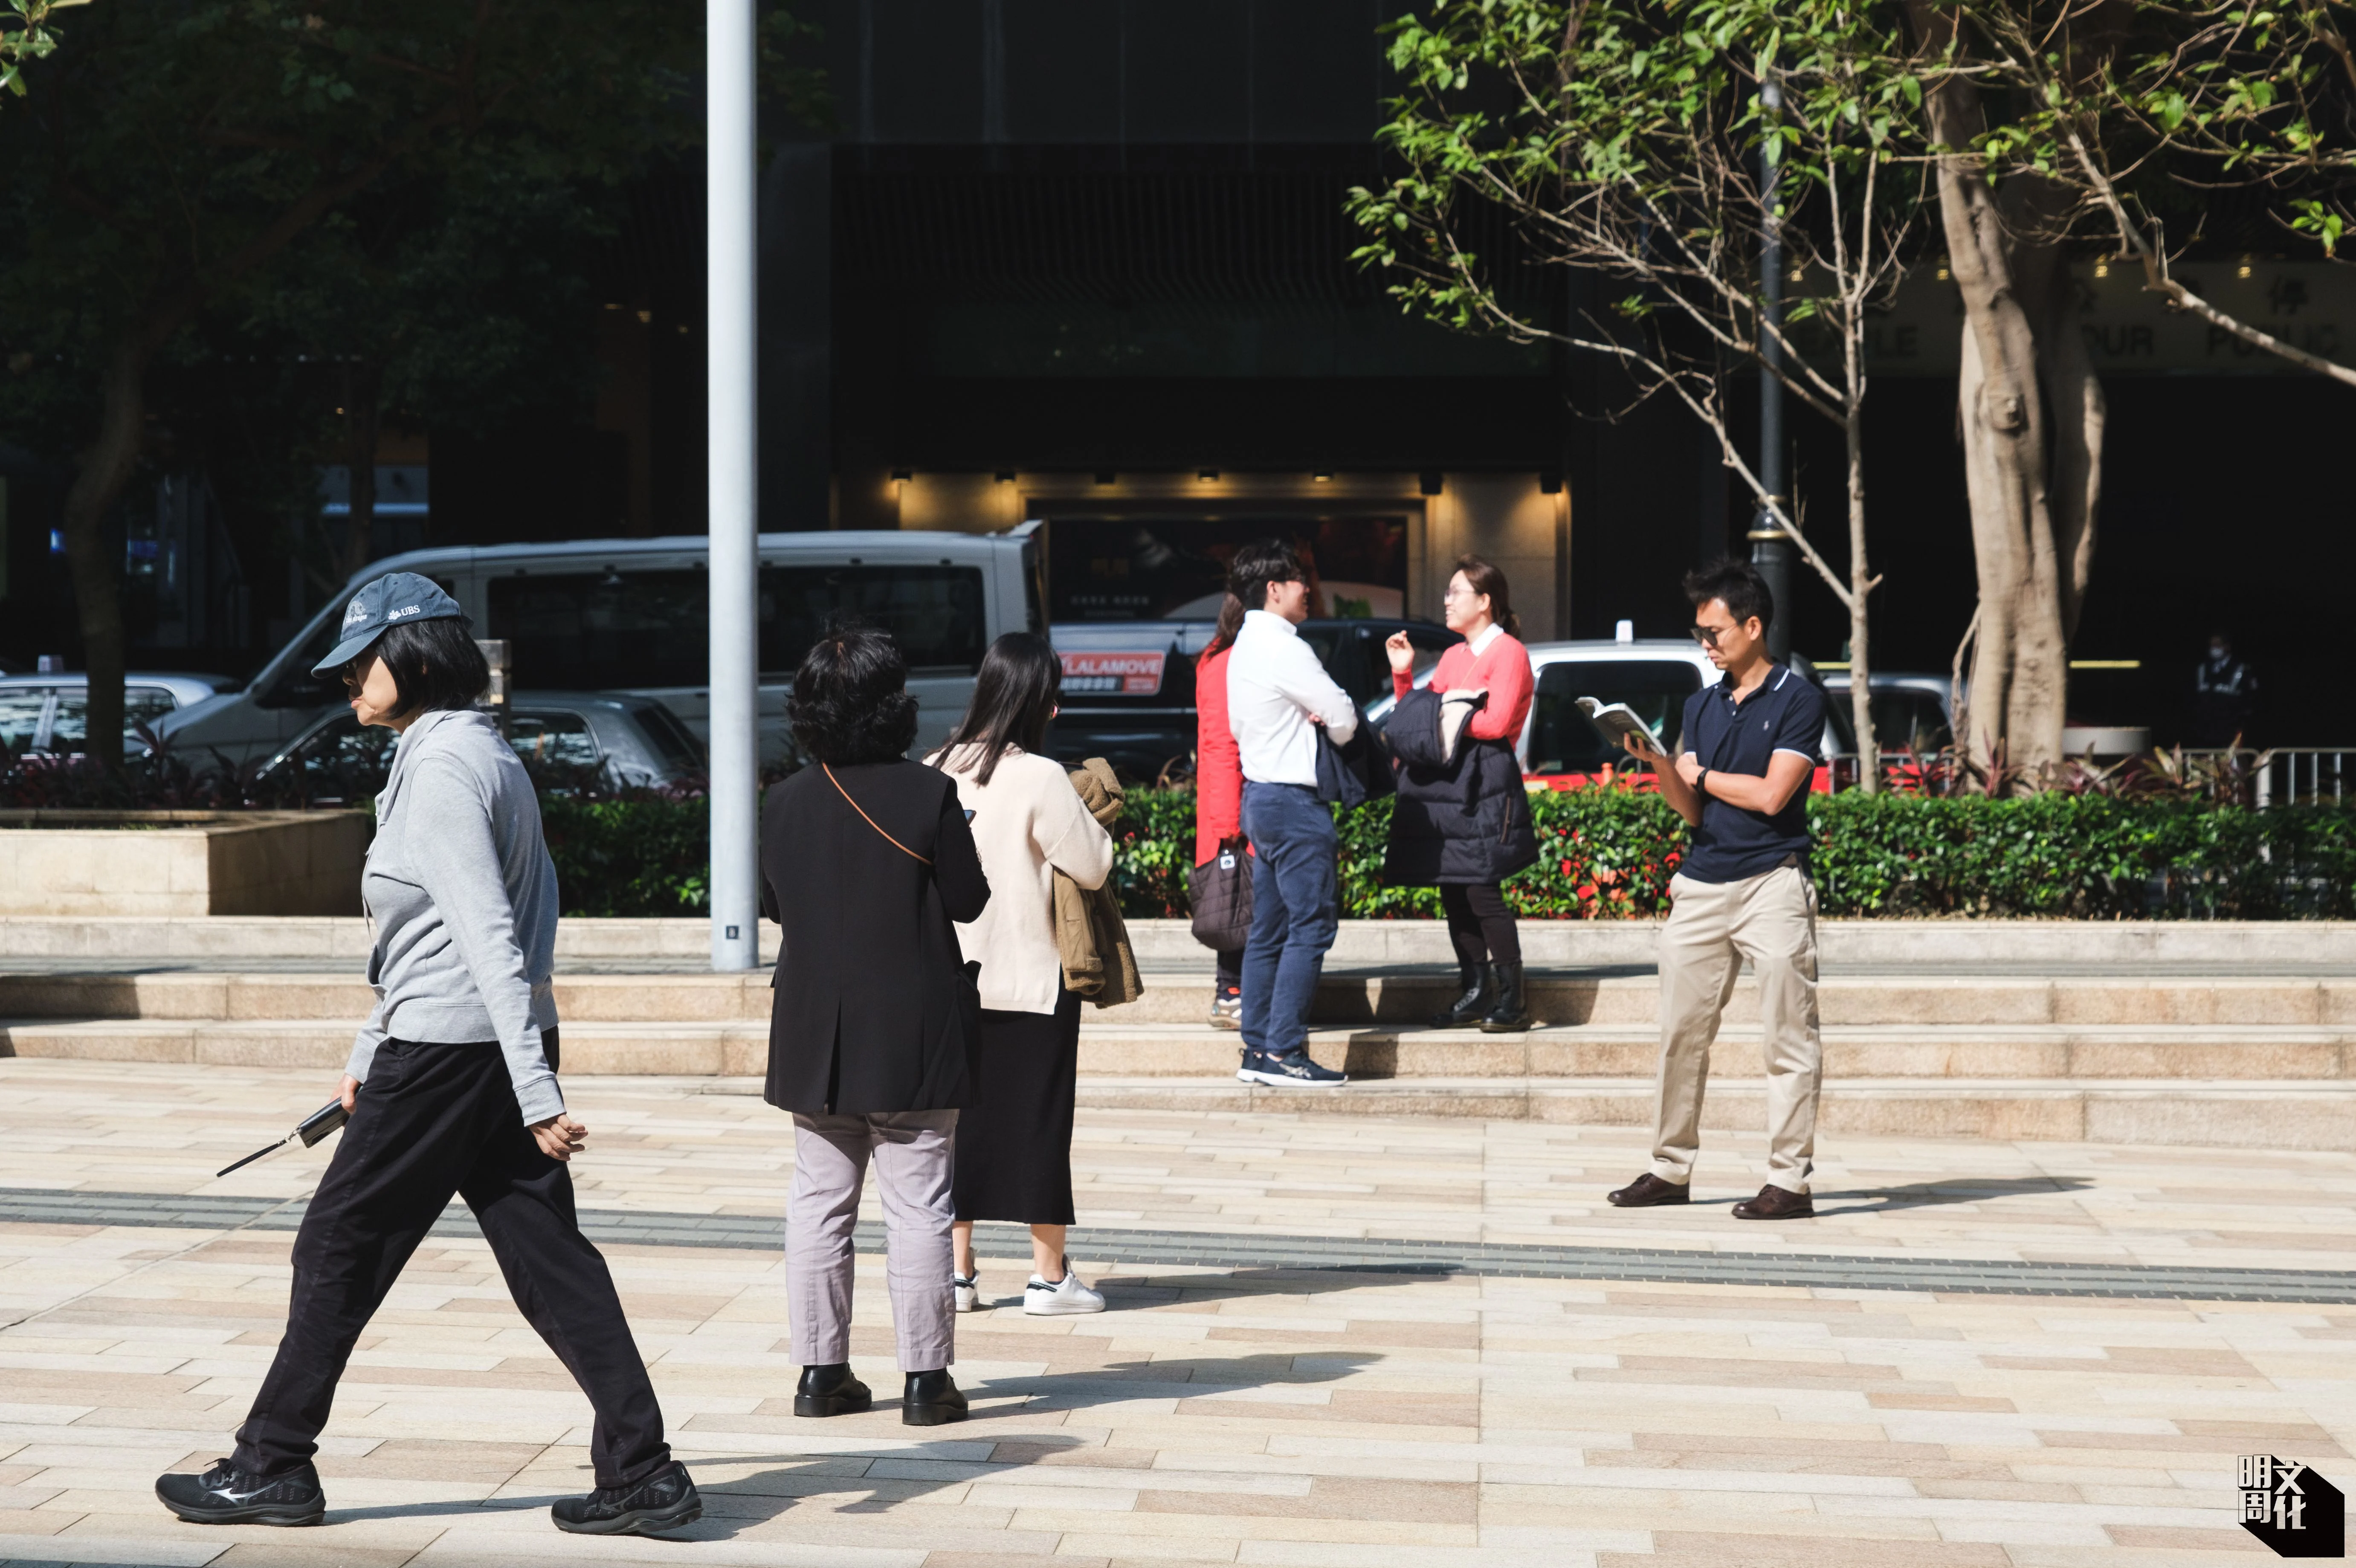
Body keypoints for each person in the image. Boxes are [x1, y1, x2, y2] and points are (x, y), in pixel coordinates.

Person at [155, 572, 698, 1537]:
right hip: (469, 1042)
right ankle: (644, 1470)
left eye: (360, 662)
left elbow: (489, 933)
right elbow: (433, 938)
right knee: (548, 1260)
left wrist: (535, 1092)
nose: (347, 681)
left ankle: (274, 1461)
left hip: (455, 1051)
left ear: (409, 659)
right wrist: (371, 1051)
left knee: (338, 1241)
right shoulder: (464, 753)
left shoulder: (444, 769)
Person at [761, 622, 991, 1426]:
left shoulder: (783, 800)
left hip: (815, 1032)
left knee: (819, 1202)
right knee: (921, 1204)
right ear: (894, 706)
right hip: (914, 1028)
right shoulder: (928, 794)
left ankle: (821, 1374)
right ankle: (927, 1382)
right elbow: (968, 899)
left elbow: (776, 907)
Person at [1608, 559, 1826, 1222]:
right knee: (1681, 1033)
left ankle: (1789, 1181)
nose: (1705, 643)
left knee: (1788, 1037)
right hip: (1701, 883)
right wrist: (1659, 766)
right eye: (1699, 631)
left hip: (1772, 882)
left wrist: (1697, 774)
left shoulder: (1799, 698)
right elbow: (1693, 809)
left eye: (1715, 630)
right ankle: (1669, 1169)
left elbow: (1770, 794)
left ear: (1753, 626)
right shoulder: (1701, 704)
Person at [929, 633, 1116, 1317]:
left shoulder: (935, 767)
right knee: (1039, 1126)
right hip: (1032, 980)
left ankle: (956, 1274)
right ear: (1040, 699)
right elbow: (1093, 865)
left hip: (950, 981)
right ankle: (1047, 1277)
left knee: (953, 1129)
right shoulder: (1040, 775)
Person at [1383, 555, 1540, 1031]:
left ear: (1485, 601)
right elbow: (1421, 724)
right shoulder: (1453, 656)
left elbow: (1493, 725)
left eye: (1456, 592)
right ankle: (1473, 991)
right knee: (1453, 889)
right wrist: (1404, 676)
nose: (1446, 601)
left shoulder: (1508, 651)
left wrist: (1446, 710)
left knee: (1481, 888)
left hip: (1486, 780)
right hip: (1448, 779)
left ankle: (1511, 999)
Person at [1226, 540, 1356, 1087]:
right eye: (1300, 579)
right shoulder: (1284, 645)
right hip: (1294, 803)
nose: (1308, 589)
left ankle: (1257, 1051)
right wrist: (1329, 723)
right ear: (1274, 589)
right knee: (1310, 926)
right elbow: (1344, 714)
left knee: (1269, 931)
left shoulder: (1242, 646)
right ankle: (1284, 1052)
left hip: (1259, 796)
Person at [1194, 590, 1249, 1029]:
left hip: (1232, 806)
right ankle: (1230, 992)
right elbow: (1221, 745)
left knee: (1237, 900)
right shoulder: (1228, 663)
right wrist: (1229, 823)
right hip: (1233, 810)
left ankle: (1231, 991)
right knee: (1236, 899)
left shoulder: (1218, 658)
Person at [2190, 630, 2258, 747]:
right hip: (2206, 729)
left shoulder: (2242, 669)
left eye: (2218, 645)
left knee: (2235, 760)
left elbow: (2252, 698)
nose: (2215, 649)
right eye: (2212, 645)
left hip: (2231, 727)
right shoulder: (2203, 668)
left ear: (2227, 646)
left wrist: (2242, 719)